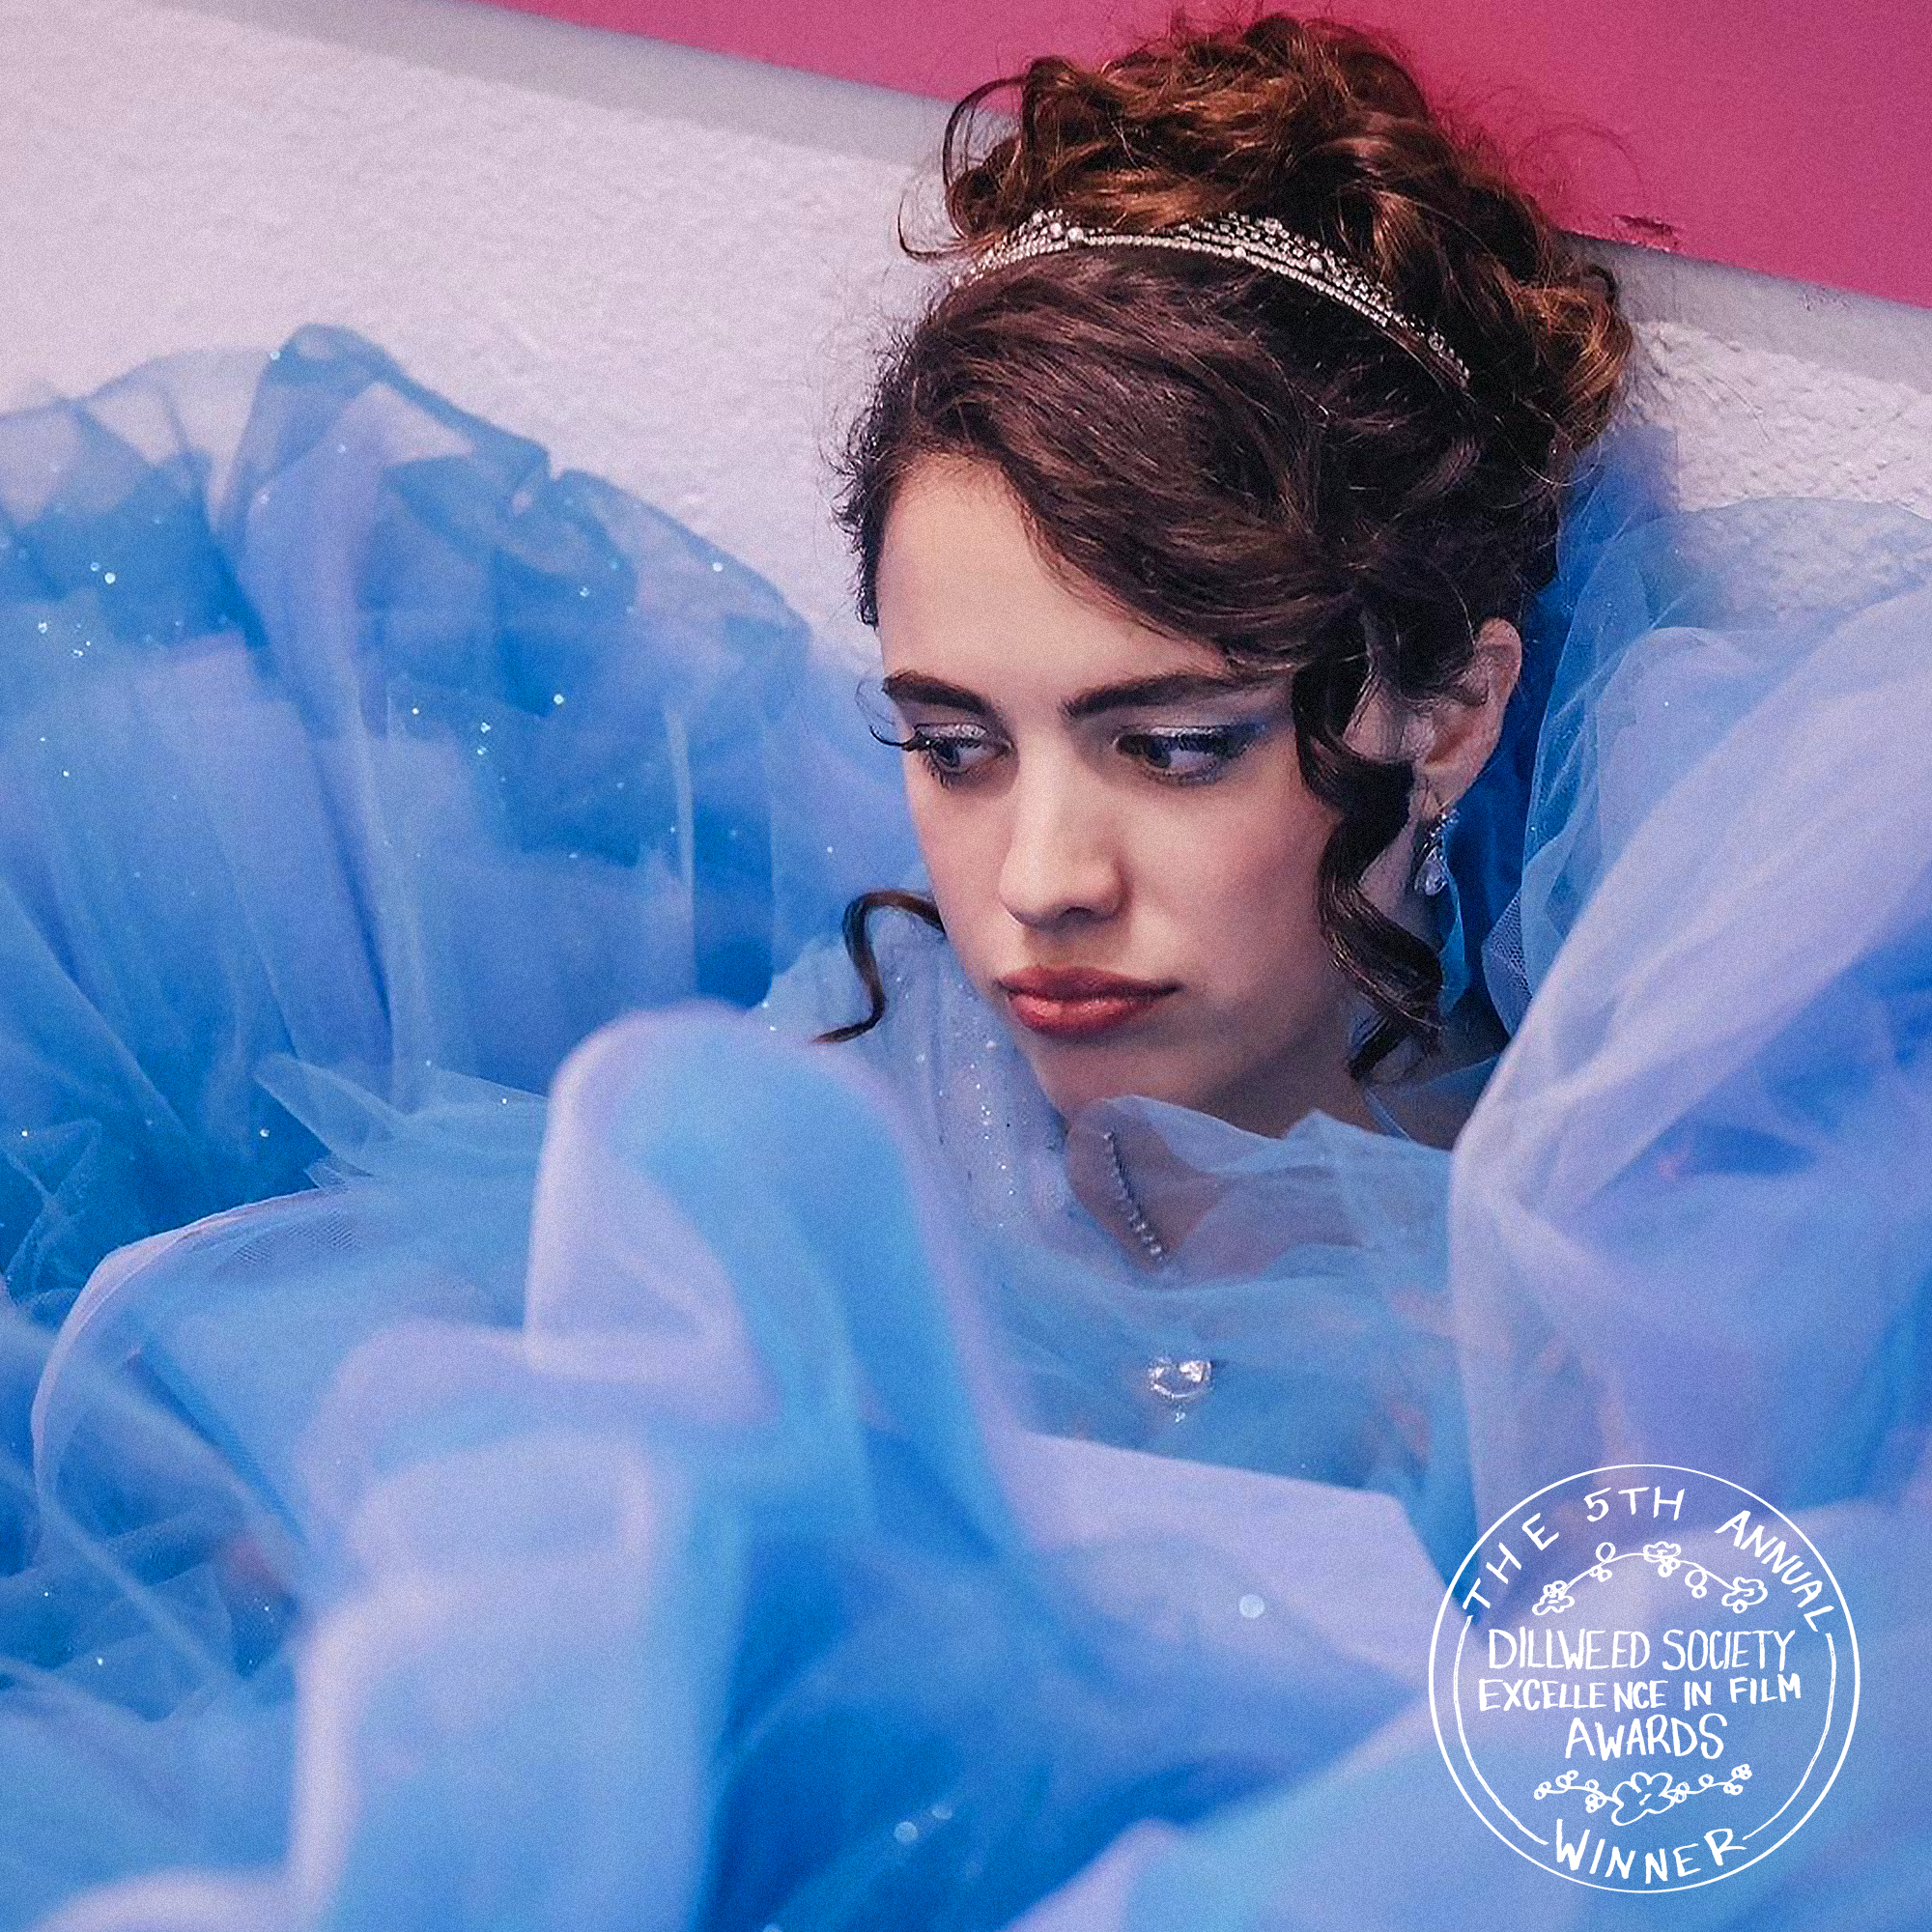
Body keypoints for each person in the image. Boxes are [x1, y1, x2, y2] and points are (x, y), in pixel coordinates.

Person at [0, 13, 1927, 1931]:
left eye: (1168, 744)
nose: (1038, 883)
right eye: (952, 742)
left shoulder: (1606, 1307)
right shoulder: (822, 1113)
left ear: (1445, 717)